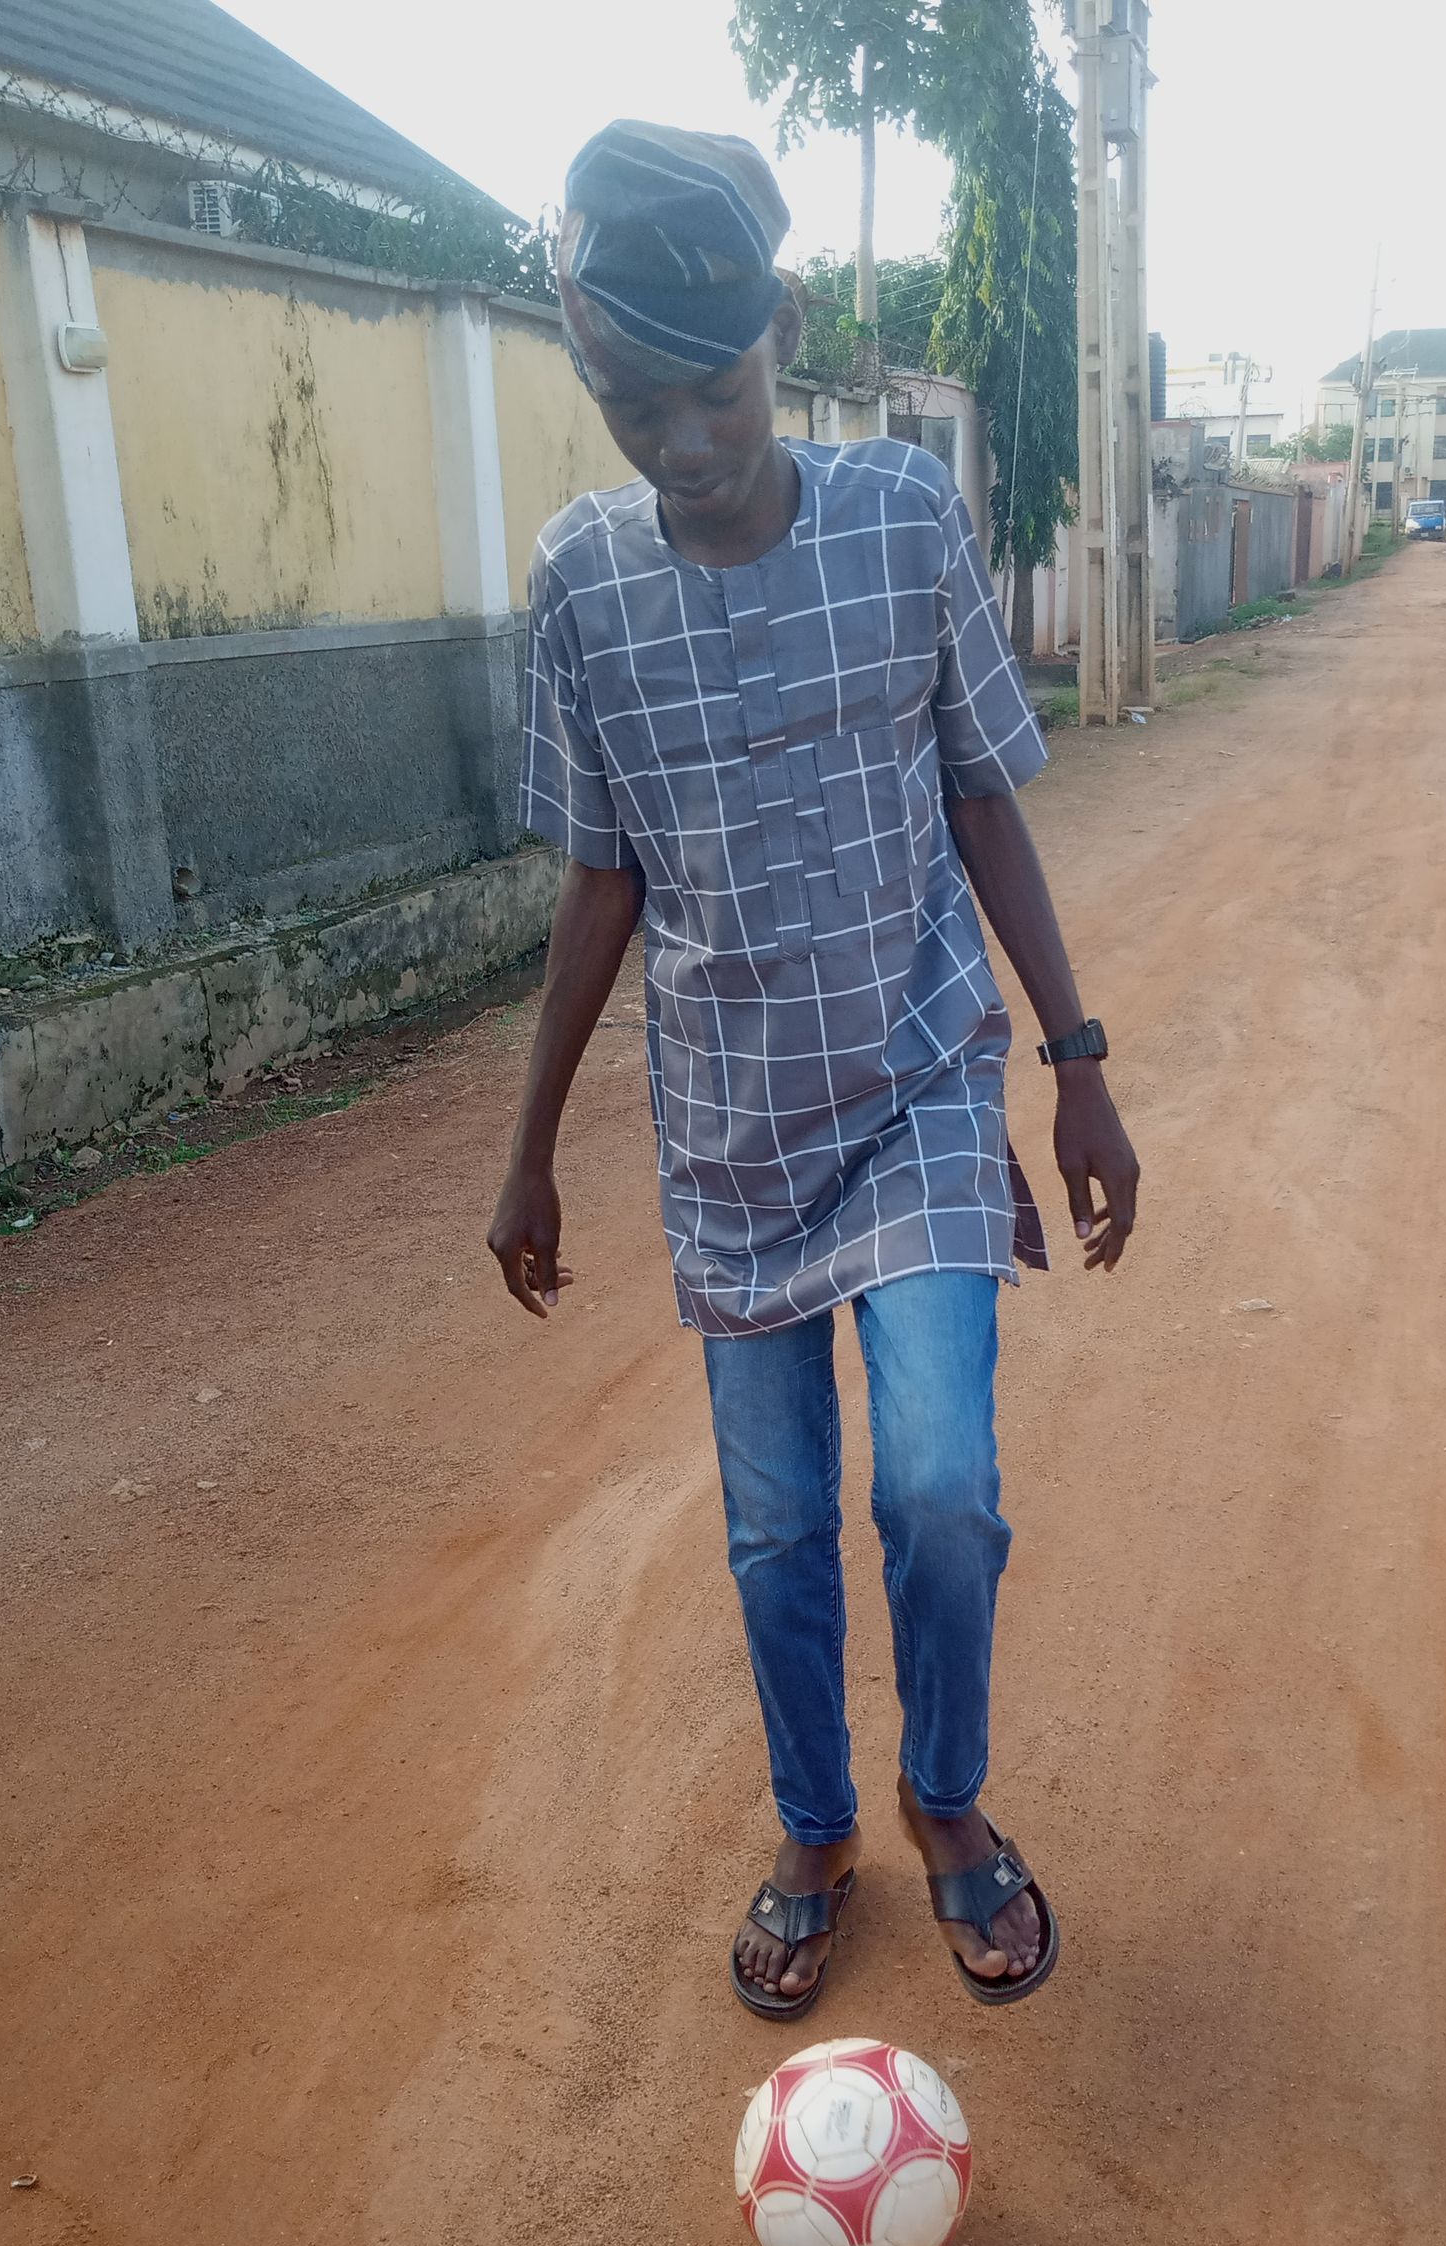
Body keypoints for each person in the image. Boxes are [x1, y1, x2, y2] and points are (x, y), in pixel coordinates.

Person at [486, 123, 1139, 2018]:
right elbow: (602, 876)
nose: (683, 443)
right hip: (730, 1135)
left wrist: (1075, 1060)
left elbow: (982, 797)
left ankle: (946, 1799)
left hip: (920, 1085)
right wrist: (529, 1146)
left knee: (938, 1488)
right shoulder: (580, 583)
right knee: (774, 1533)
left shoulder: (905, 518)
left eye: (715, 390)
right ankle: (816, 1827)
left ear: (782, 329)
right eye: (634, 405)